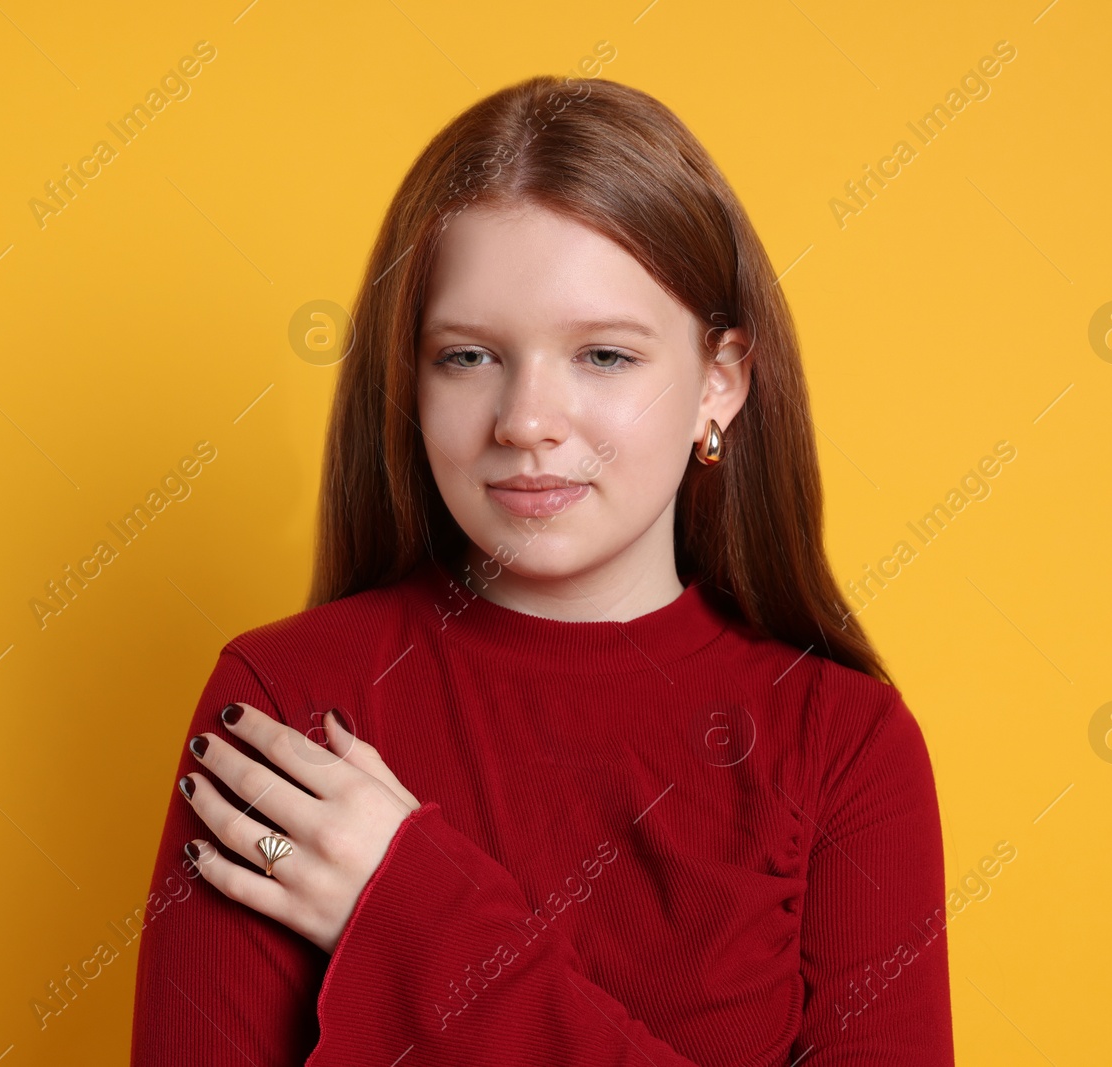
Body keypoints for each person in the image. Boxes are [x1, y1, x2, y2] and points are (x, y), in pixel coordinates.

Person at [130, 74, 952, 1065]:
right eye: (468, 357)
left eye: (603, 355)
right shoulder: (287, 706)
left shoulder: (843, 746)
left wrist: (422, 919)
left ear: (719, 384)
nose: (524, 421)